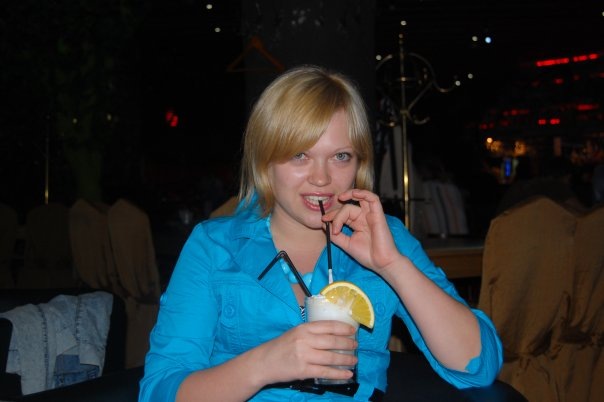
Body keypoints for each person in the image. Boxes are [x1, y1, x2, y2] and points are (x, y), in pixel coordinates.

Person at [139, 65, 503, 401]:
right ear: (266, 161)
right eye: (300, 155)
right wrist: (265, 363)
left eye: (341, 156)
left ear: (360, 163)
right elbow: (160, 391)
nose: (321, 178)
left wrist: (392, 265)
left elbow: (478, 365)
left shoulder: (385, 237)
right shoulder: (214, 246)